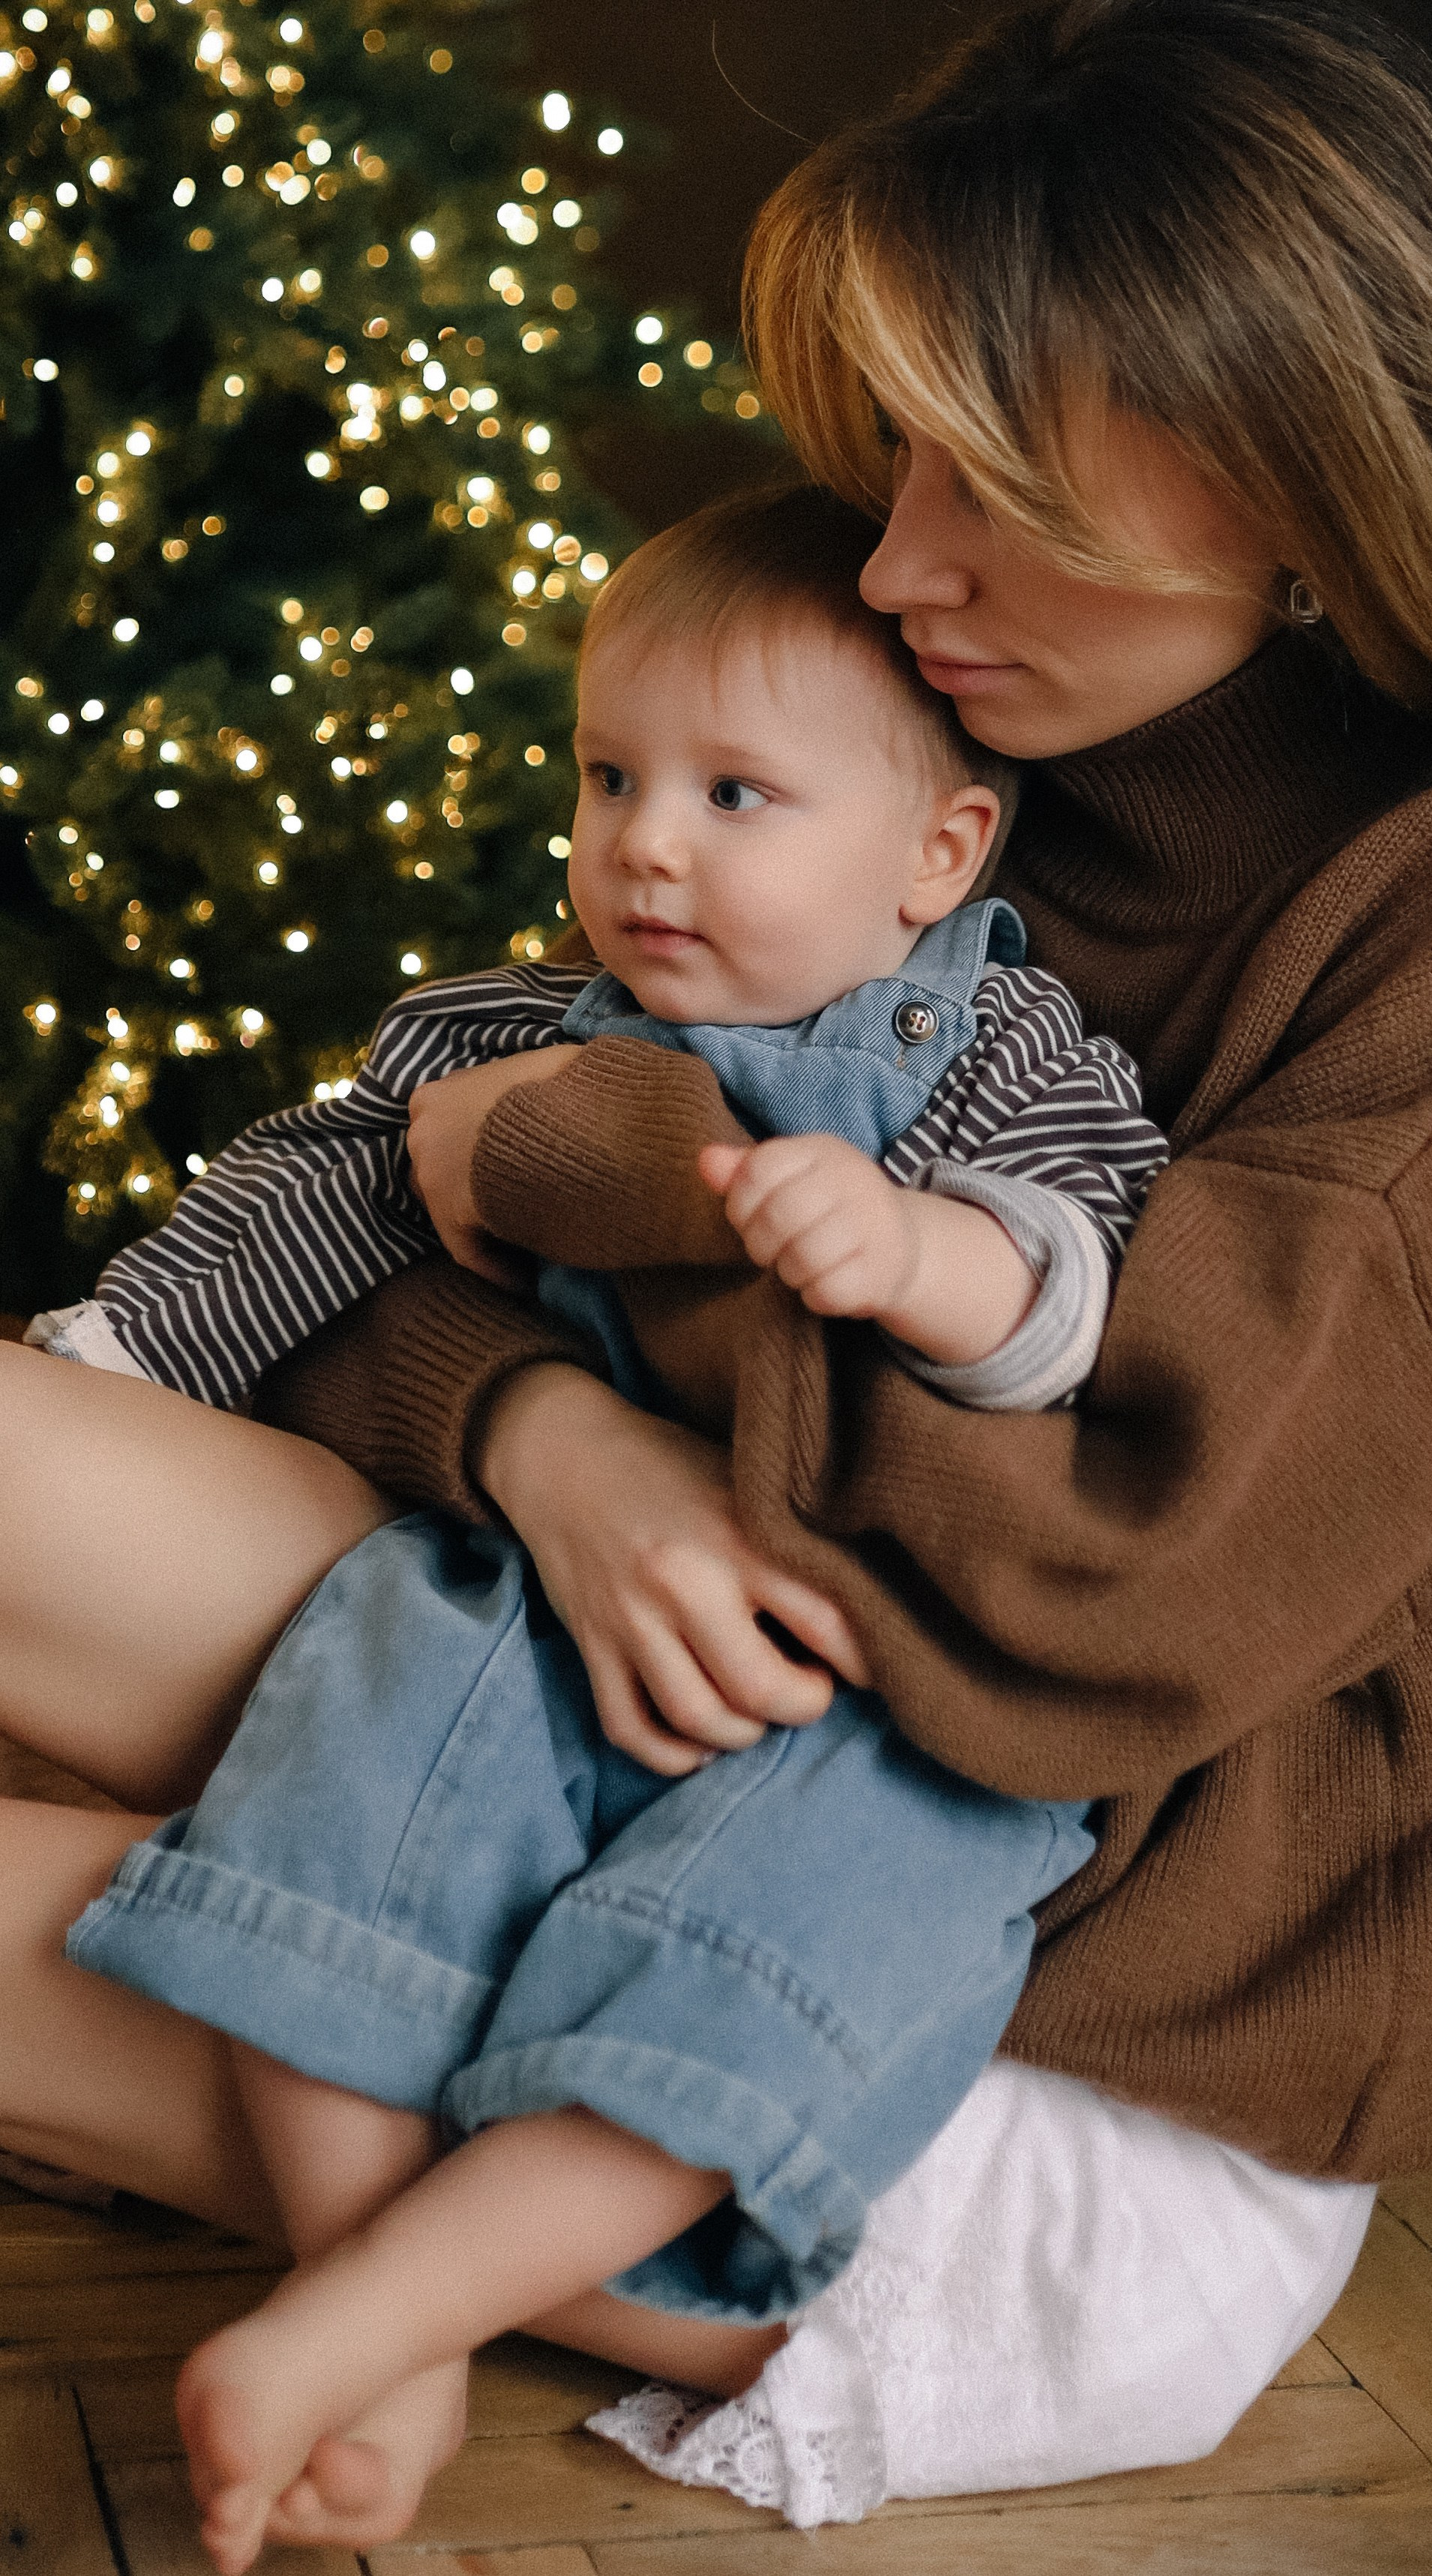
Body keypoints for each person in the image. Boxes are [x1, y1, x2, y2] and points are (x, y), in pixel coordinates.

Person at [0, 0, 1432, 2542]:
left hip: (999, 2033)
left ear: (1288, 454)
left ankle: (378, 2272)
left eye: (987, 476)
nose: (898, 559)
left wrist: (618, 1242)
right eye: (896, 458)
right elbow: (419, 1176)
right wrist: (545, 1432)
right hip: (642, 1709)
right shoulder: (929, 754)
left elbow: (1110, 1594)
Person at [54, 484, 1165, 2568]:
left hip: (866, 1674)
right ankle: (362, 2311)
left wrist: (925, 1253)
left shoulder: (1003, 1057)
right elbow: (311, 1200)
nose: (643, 841)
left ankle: (377, 2308)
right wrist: (126, 1355)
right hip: (515, 1595)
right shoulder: (500, 1024)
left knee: (772, 1951)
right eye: (608, 776)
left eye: (736, 792)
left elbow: (1084, 1299)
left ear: (938, 853)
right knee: (342, 1808)